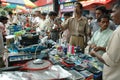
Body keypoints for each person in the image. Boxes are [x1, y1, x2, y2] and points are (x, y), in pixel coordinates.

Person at [89, 1, 120, 80]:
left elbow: (110, 60)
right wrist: (92, 46)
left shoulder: (115, 33)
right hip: (96, 63)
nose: (111, 15)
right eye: (103, 22)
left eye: (113, 12)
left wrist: (95, 53)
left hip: (112, 73)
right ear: (99, 23)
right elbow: (91, 42)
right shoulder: (96, 32)